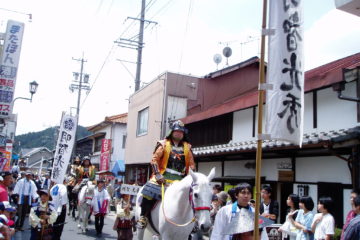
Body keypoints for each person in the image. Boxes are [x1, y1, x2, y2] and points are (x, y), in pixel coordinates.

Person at [137, 120, 195, 228]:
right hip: (163, 175)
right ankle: (143, 217)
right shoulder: (163, 144)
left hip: (180, 178)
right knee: (149, 190)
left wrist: (191, 178)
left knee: (194, 194)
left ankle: (194, 220)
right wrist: (158, 174)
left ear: (184, 134)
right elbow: (154, 160)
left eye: (181, 132)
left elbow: (191, 165)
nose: (179, 133)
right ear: (171, 132)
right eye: (177, 131)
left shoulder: (188, 147)